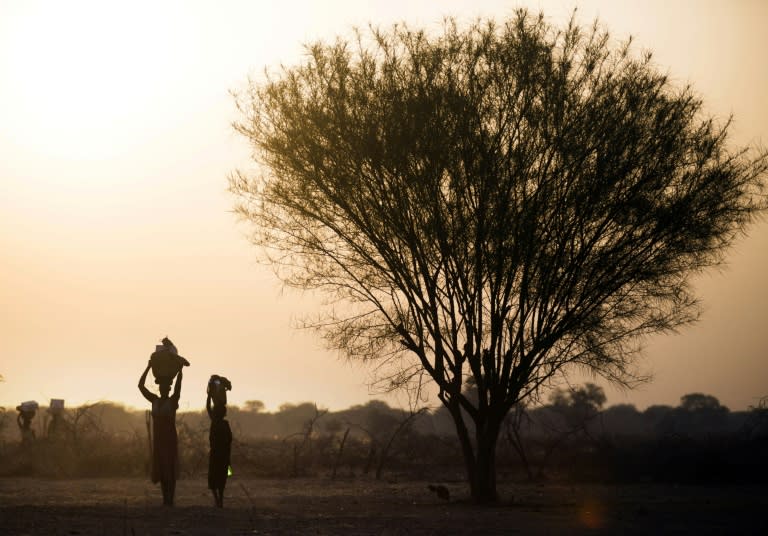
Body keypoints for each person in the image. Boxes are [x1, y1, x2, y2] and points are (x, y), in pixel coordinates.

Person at [139, 361, 182, 506]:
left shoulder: (172, 400)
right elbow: (140, 386)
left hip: (169, 439)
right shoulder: (154, 400)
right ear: (159, 388)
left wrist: (181, 371)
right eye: (162, 387)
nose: (164, 389)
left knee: (170, 468)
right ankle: (166, 500)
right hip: (158, 441)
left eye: (167, 387)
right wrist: (149, 367)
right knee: (162, 470)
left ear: (169, 389)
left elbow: (178, 388)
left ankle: (170, 498)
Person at [207, 378, 232, 508]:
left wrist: (209, 395)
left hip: (216, 454)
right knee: (222, 477)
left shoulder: (215, 422)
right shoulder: (224, 424)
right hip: (223, 455)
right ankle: (220, 500)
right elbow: (229, 440)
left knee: (214, 478)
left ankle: (218, 500)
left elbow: (207, 407)